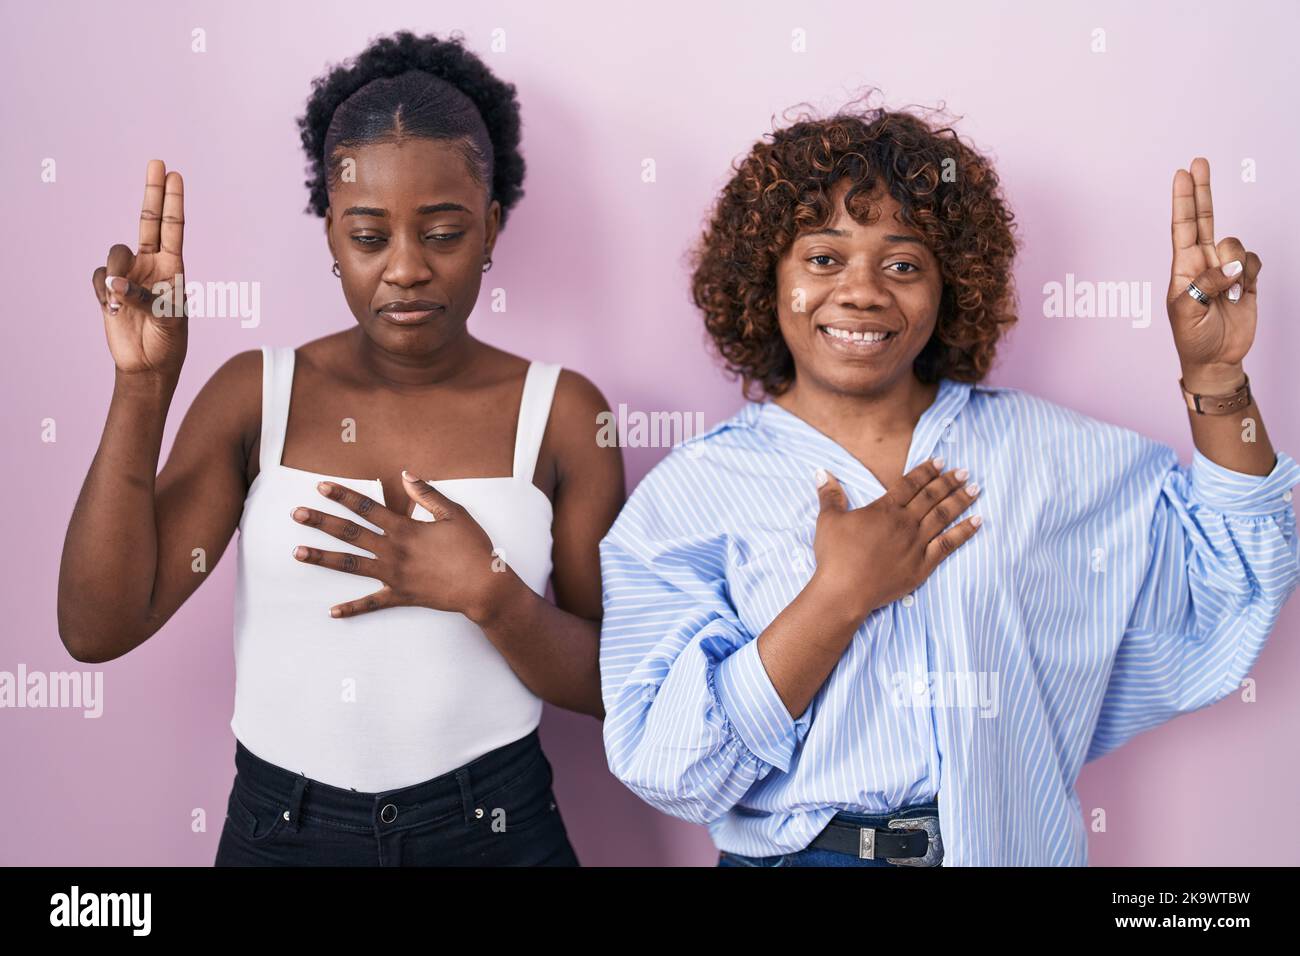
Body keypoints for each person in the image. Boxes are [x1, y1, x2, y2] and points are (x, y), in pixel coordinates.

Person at [597, 102, 1299, 866]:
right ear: (767, 276)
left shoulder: (1048, 453)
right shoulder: (688, 496)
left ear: (950, 287)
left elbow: (1230, 569)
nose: (863, 291)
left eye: (903, 264)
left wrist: (1217, 377)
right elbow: (668, 766)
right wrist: (838, 596)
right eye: (824, 258)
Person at [58, 30, 624, 866]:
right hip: (282, 831)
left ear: (492, 227)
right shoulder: (259, 395)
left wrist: (492, 594)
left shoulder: (564, 413)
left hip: (494, 829)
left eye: (442, 233)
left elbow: (620, 684)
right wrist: (144, 387)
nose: (405, 269)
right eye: (368, 236)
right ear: (330, 234)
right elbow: (97, 628)